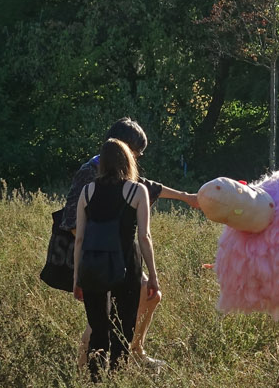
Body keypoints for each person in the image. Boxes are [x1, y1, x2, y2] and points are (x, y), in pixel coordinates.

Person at [59, 118, 194, 369]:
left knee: (149, 297)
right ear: (125, 148)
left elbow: (150, 187)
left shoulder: (119, 174)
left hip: (117, 255)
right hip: (93, 256)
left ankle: (135, 351)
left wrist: (187, 198)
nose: (137, 158)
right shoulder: (89, 173)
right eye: (137, 152)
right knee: (100, 321)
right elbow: (74, 223)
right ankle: (83, 370)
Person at [71, 138, 158, 379]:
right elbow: (144, 236)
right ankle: (116, 384)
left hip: (93, 267)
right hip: (127, 266)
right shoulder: (137, 190)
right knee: (123, 331)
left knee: (99, 331)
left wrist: (77, 277)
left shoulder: (87, 191)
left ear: (103, 163)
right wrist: (153, 276)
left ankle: (95, 385)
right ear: (128, 161)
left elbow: (79, 239)